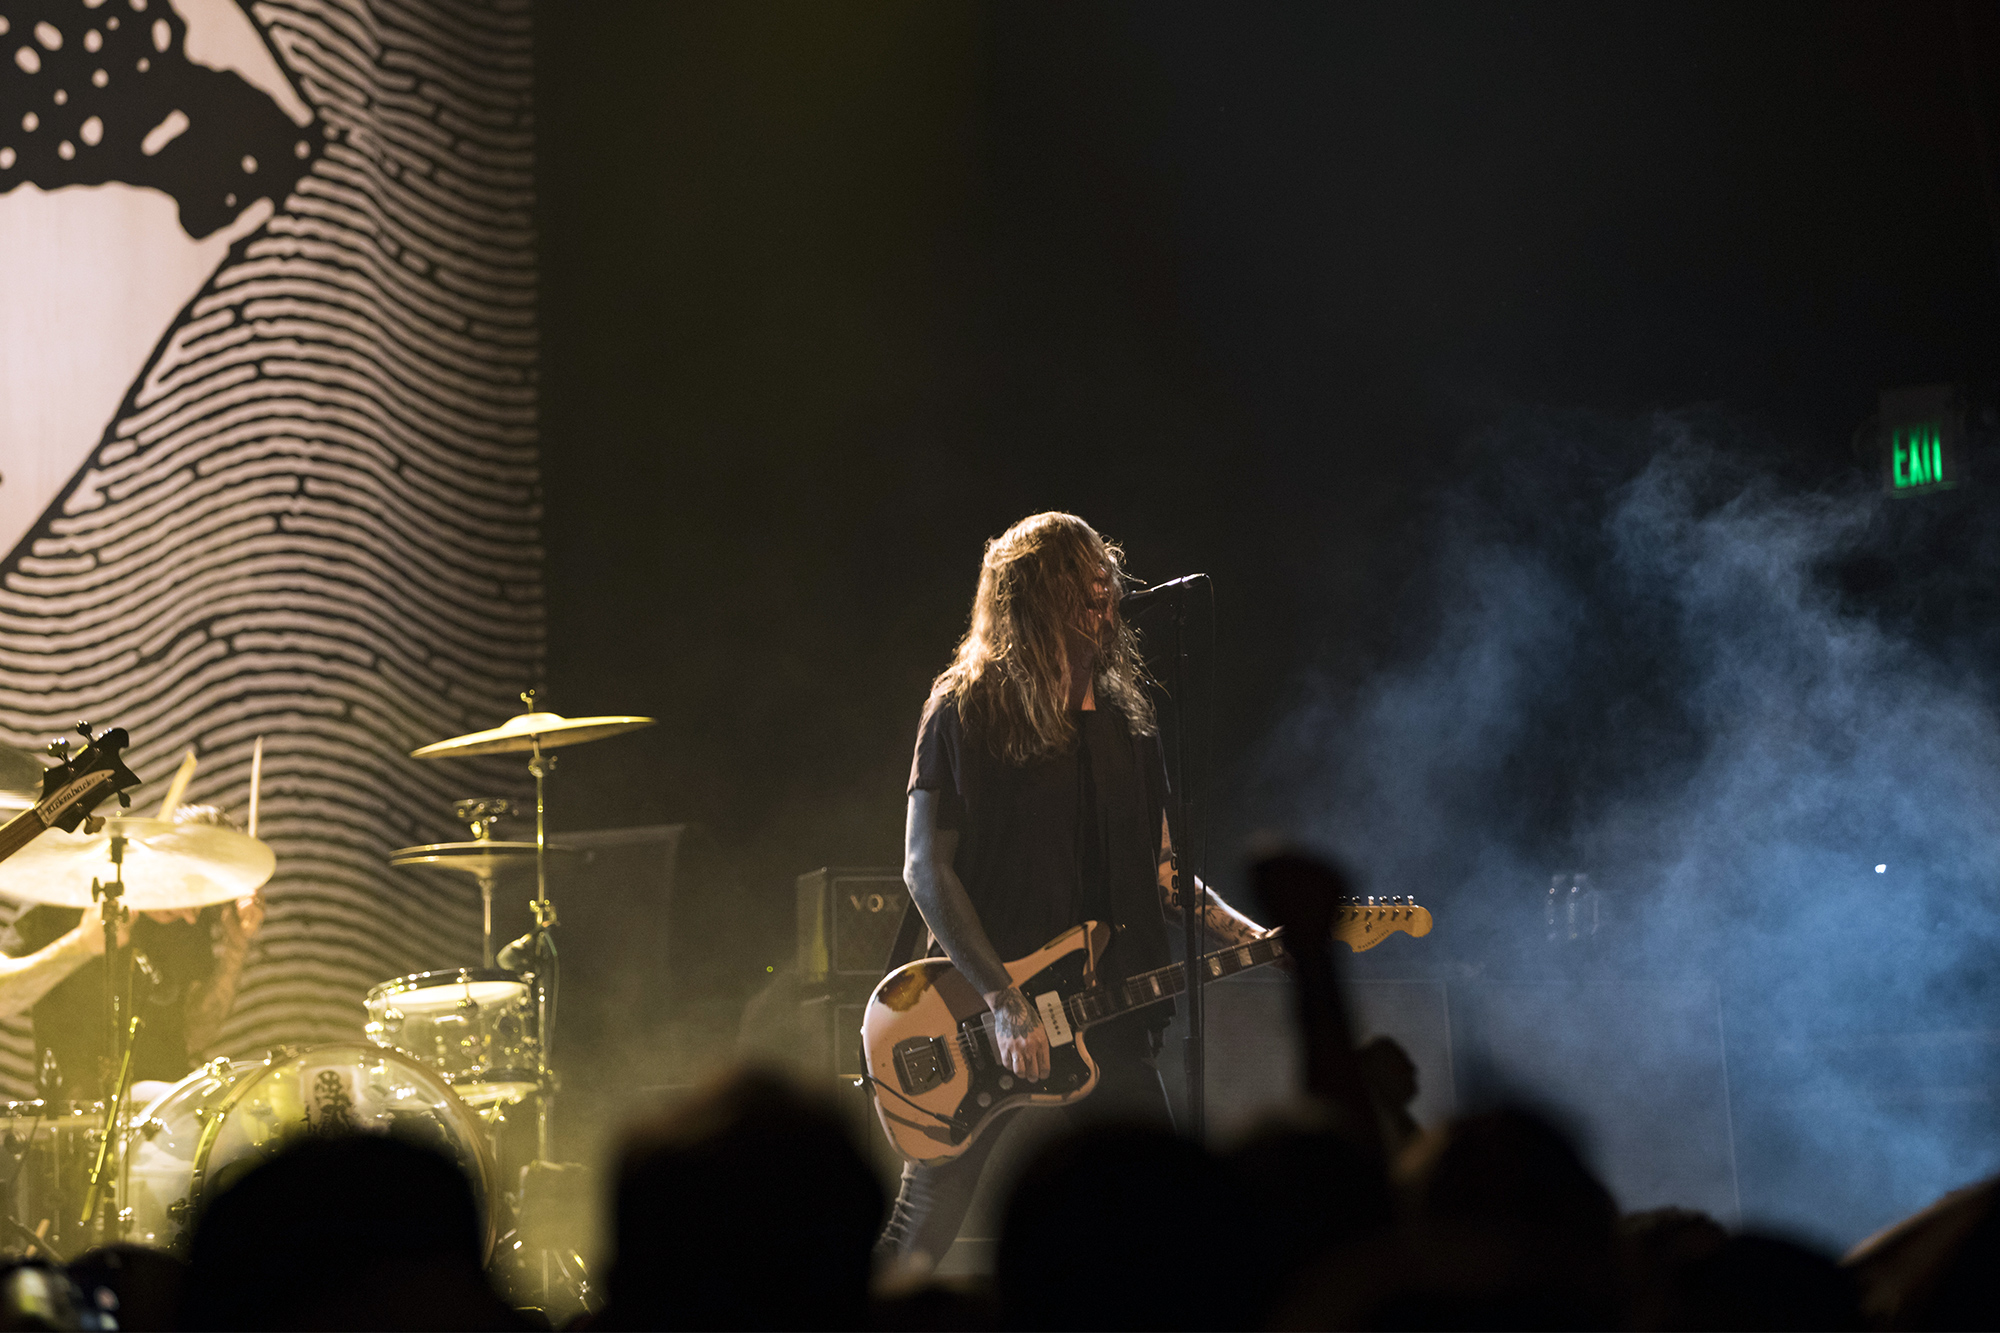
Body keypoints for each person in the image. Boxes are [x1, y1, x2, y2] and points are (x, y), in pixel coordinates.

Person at [876, 511, 1274, 1273]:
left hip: (1107, 1008)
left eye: (1103, 573)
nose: (1102, 588)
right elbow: (925, 867)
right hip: (981, 1013)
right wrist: (1003, 1000)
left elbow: (1162, 872)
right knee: (925, 1224)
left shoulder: (1128, 722)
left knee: (1161, 1215)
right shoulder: (966, 708)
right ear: (1032, 596)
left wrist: (1252, 936)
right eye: (1078, 574)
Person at [0, 806, 264, 1101]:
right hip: (78, 1112)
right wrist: (81, 944)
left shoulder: (190, 921)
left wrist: (235, 949)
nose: (192, 916)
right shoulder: (68, 895)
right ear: (163, 859)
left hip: (165, 1111)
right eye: (191, 890)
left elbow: (194, 1036)